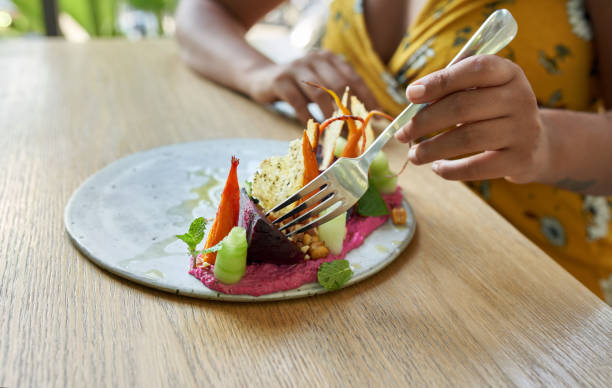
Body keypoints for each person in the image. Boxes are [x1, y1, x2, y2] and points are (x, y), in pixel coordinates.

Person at [176, 0, 612, 302]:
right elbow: (202, 12)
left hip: (534, 293)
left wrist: (543, 144)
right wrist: (259, 72)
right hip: (371, 294)